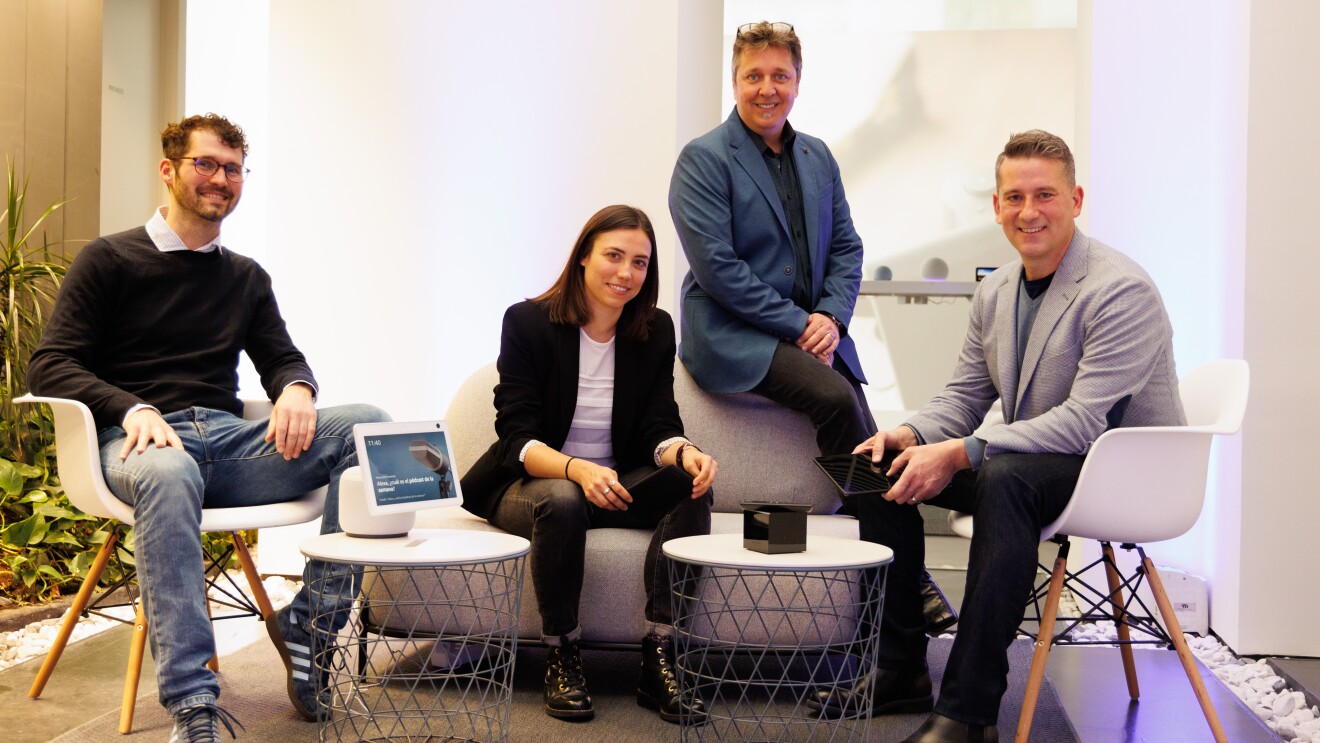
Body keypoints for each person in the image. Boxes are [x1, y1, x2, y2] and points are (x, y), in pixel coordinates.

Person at [27, 114, 390, 742]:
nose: (221, 179)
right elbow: (51, 363)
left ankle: (313, 624)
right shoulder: (109, 259)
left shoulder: (246, 276)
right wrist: (130, 407)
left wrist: (298, 388)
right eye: (207, 164)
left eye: (233, 168)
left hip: (226, 443)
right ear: (169, 170)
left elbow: (280, 357)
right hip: (138, 443)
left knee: (370, 429)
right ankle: (194, 704)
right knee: (168, 470)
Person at [825, 130, 1184, 743]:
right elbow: (966, 396)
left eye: (1045, 194)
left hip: (1121, 470)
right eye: (1014, 196)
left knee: (1004, 478)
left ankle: (969, 712)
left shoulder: (1120, 290)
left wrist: (962, 453)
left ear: (1075, 198)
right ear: (995, 206)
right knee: (880, 466)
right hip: (1035, 462)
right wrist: (909, 434)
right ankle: (899, 665)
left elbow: (1084, 422)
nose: (1029, 211)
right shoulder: (995, 290)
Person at [669, 20, 955, 634]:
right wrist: (802, 323)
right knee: (834, 396)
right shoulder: (703, 159)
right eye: (754, 76)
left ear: (798, 81)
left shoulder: (817, 155)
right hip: (732, 332)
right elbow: (718, 270)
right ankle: (909, 574)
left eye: (780, 75)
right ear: (735, 80)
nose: (767, 88)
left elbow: (848, 247)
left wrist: (831, 317)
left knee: (864, 417)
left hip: (808, 329)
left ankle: (901, 570)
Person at [459, 205, 718, 724]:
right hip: (535, 486)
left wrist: (684, 452)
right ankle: (562, 652)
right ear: (583, 257)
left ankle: (659, 655)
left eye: (640, 263)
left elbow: (656, 426)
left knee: (691, 485)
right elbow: (516, 438)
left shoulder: (655, 329)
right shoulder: (527, 321)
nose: (626, 273)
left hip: (614, 487)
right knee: (562, 497)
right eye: (614, 256)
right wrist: (576, 468)